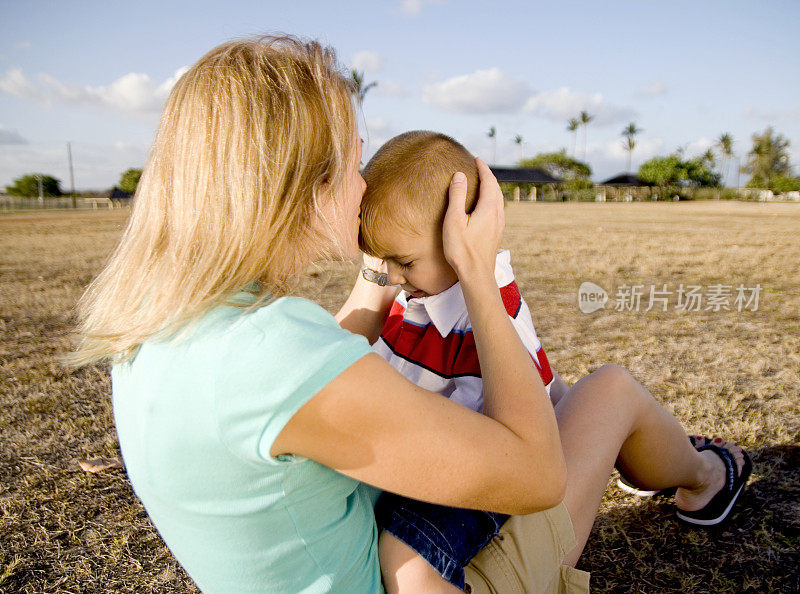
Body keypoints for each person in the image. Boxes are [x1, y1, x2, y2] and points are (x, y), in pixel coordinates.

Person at [73, 35, 751, 594]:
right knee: (609, 390)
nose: (365, 184)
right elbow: (537, 477)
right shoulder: (274, 354)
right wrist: (477, 276)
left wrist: (385, 267)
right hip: (422, 575)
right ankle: (708, 477)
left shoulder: (160, 324)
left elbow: (318, 379)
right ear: (300, 188)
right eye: (353, 163)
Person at [358, 130, 563, 590]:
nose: (391, 276)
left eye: (404, 262)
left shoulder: (488, 316)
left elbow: (497, 440)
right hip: (426, 456)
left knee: (408, 554)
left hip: (475, 468)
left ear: (460, 238)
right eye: (382, 259)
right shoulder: (420, 293)